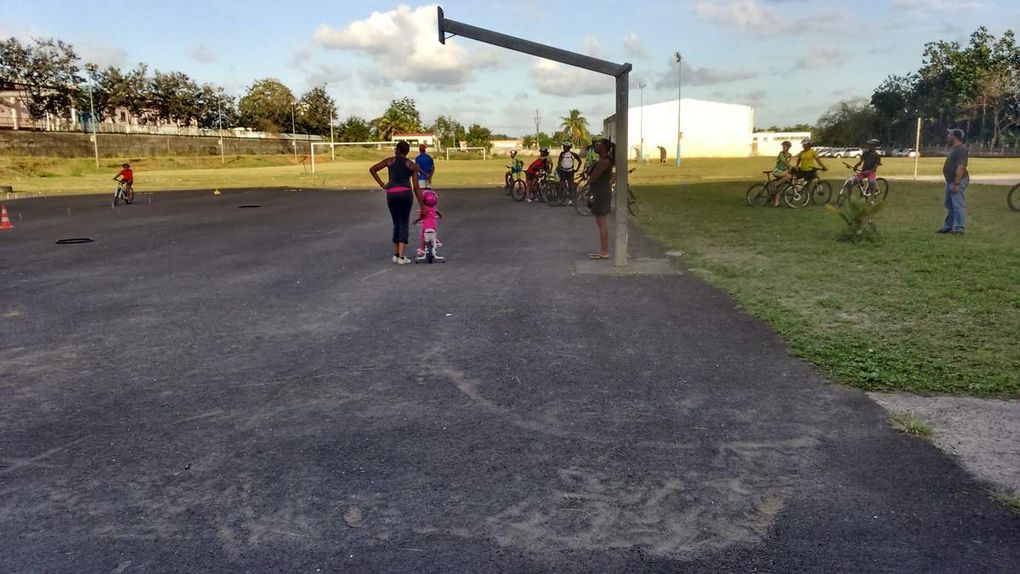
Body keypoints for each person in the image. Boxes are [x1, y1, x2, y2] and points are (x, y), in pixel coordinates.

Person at [369, 141, 425, 264]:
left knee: (396, 222)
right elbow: (416, 187)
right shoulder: (412, 165)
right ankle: (401, 256)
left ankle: (396, 254)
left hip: (392, 193)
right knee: (404, 222)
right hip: (405, 193)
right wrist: (422, 206)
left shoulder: (390, 161)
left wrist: (382, 184)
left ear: (397, 149)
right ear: (407, 151)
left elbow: (373, 169)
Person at [938, 128, 969, 235]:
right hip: (951, 181)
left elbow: (961, 167)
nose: (948, 137)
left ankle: (960, 228)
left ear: (955, 137)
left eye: (949, 135)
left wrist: (956, 184)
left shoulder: (961, 149)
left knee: (957, 204)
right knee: (949, 204)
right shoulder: (955, 148)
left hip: (957, 181)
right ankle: (948, 227)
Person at [587, 138, 615, 259]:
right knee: (600, 222)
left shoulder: (604, 161)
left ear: (604, 147)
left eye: (598, 144)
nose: (596, 146)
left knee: (602, 222)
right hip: (599, 191)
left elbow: (594, 177)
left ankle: (604, 251)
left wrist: (587, 185)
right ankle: (602, 250)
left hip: (601, 192)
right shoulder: (603, 160)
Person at [415, 189, 443, 258]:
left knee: (423, 236)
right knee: (433, 233)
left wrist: (416, 220)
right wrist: (439, 216)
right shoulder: (434, 209)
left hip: (425, 227)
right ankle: (436, 241)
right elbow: (439, 214)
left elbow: (422, 216)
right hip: (433, 225)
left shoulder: (424, 209)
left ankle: (422, 249)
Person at [771, 141, 793, 207]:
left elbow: (787, 164)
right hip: (777, 171)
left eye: (785, 146)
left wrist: (790, 169)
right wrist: (792, 167)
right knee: (788, 176)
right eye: (783, 146)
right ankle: (776, 184)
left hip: (783, 172)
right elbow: (785, 162)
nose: (783, 147)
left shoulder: (789, 155)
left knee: (782, 186)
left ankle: (776, 202)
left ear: (789, 147)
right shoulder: (781, 154)